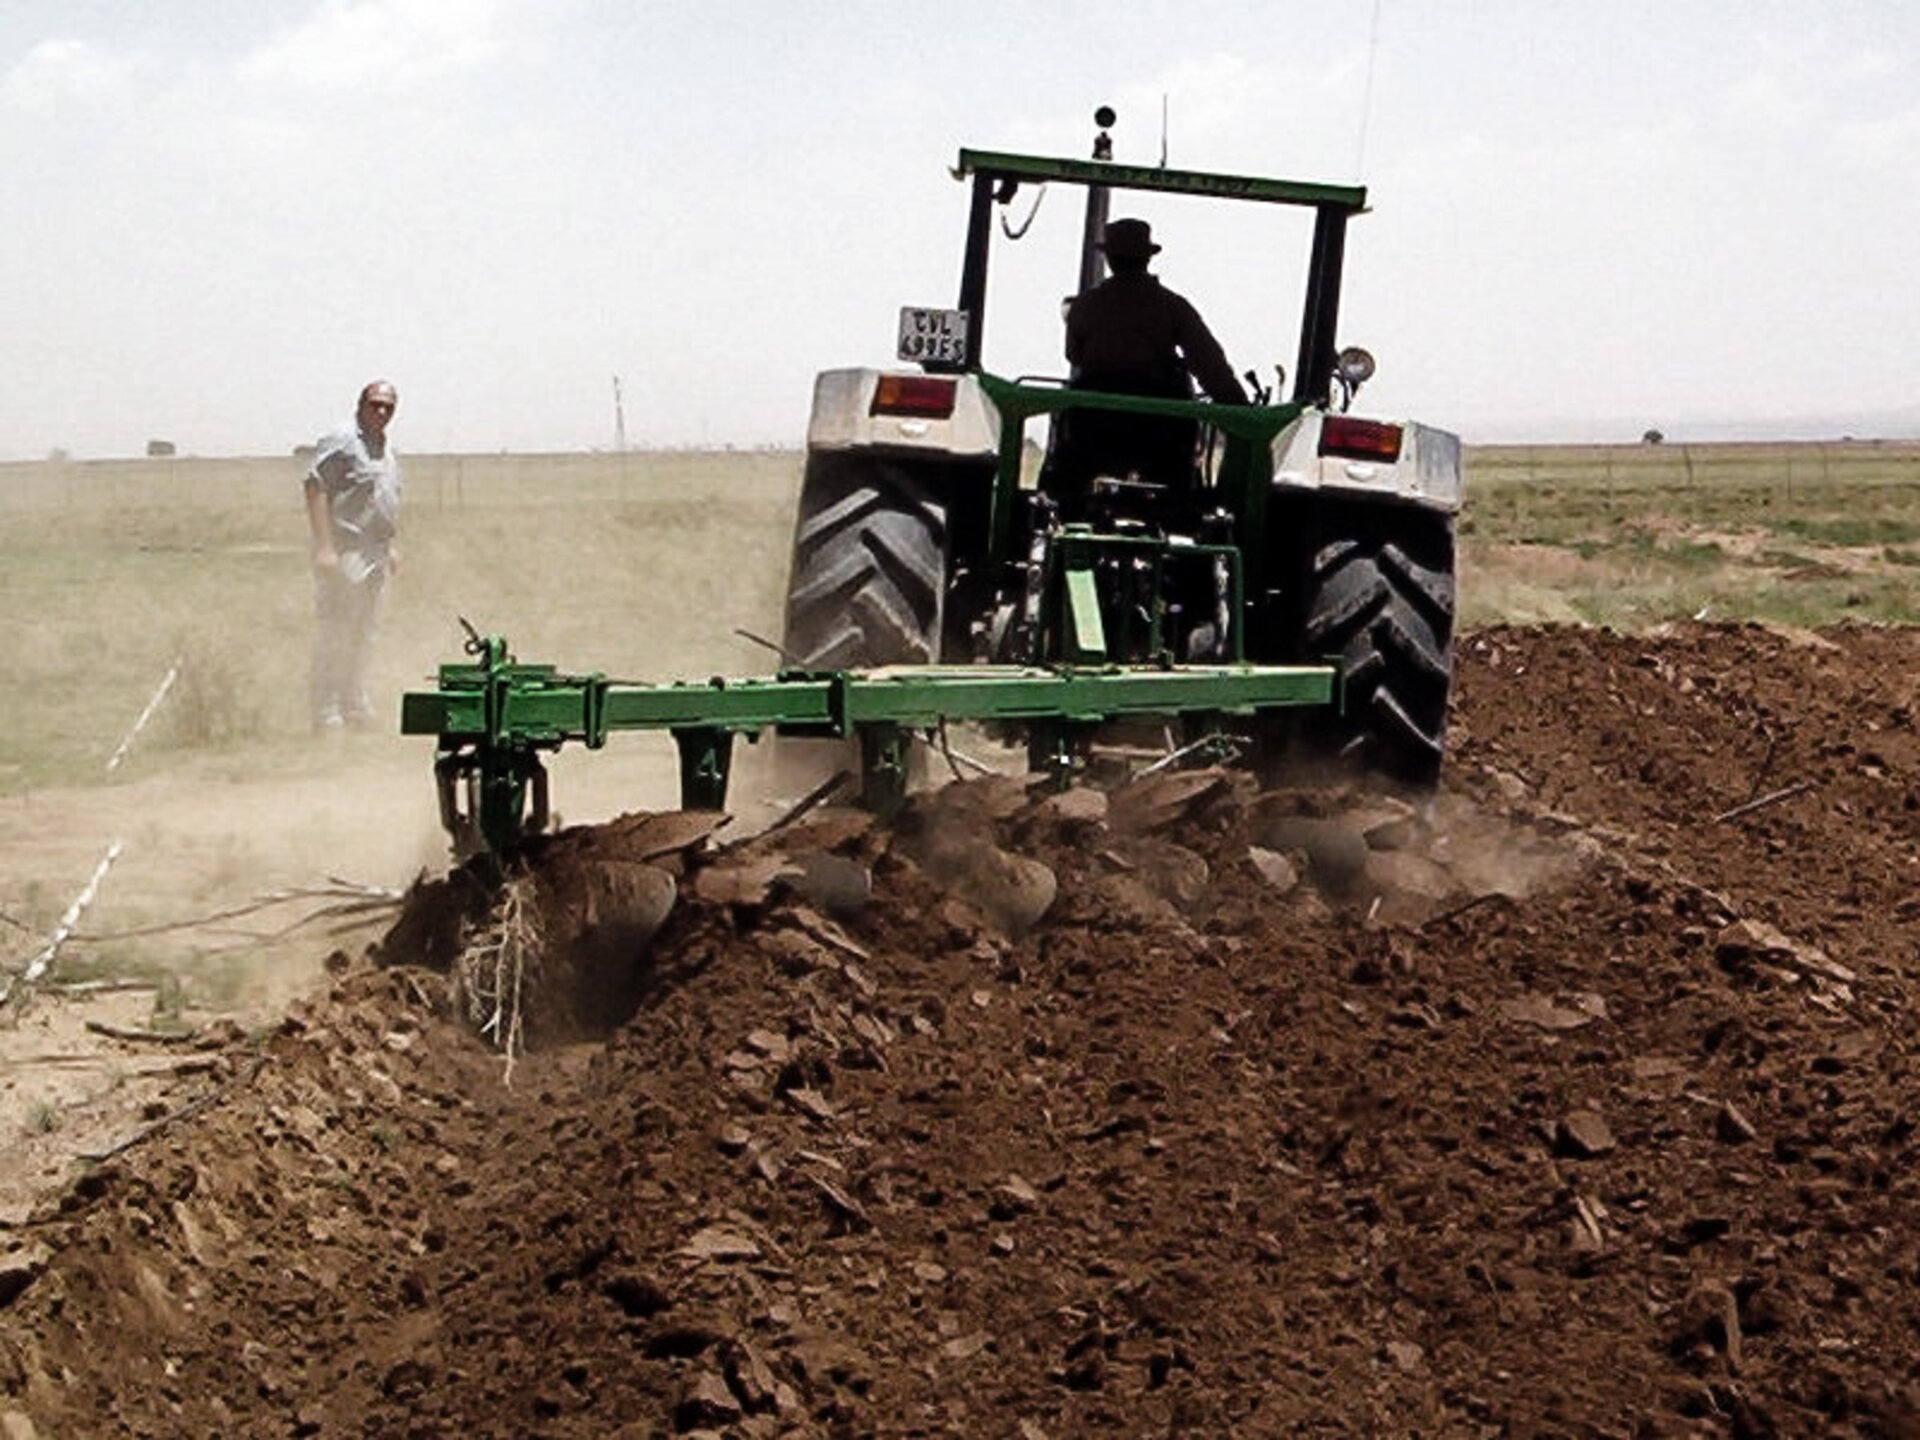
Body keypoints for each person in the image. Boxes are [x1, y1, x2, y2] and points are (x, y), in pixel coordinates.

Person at [1064, 218, 1249, 406]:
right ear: (1147, 257)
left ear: (1109, 258)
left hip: (1093, 418)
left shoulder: (1085, 306)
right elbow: (1209, 364)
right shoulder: (1172, 306)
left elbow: (1073, 355)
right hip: (1159, 422)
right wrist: (1240, 408)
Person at [303, 379, 401, 732]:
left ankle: (354, 702)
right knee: (336, 632)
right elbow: (315, 485)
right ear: (361, 404)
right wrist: (325, 546)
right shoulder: (344, 440)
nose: (381, 411)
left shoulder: (383, 447)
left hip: (375, 554)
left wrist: (390, 546)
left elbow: (381, 499)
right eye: (375, 404)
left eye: (388, 406)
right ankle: (325, 710)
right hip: (346, 551)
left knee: (365, 632)